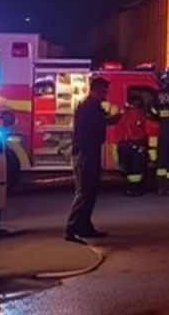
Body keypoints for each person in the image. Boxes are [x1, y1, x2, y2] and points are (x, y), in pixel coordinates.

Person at [66, 75, 120, 243]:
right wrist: (114, 117)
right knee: (84, 192)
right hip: (85, 153)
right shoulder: (88, 106)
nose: (106, 93)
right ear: (96, 89)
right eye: (104, 90)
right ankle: (71, 228)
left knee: (90, 192)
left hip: (91, 151)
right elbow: (97, 124)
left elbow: (102, 121)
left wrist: (113, 118)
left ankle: (84, 226)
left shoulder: (93, 105)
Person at [117, 91, 149, 197]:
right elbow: (144, 129)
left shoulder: (124, 114)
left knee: (130, 169)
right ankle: (135, 190)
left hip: (125, 144)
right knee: (136, 170)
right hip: (136, 144)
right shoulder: (140, 114)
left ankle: (131, 189)